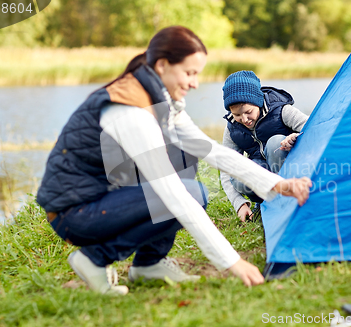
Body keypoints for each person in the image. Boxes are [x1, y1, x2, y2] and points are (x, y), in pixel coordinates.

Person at [37, 26, 312, 295]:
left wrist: (277, 184)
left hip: (105, 195)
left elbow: (211, 150)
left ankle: (148, 265)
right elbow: (172, 195)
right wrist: (232, 262)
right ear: (163, 66)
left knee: (185, 159)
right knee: (190, 193)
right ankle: (95, 258)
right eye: (190, 73)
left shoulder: (160, 99)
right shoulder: (130, 109)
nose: (195, 83)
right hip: (74, 213)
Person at [220, 71, 310, 222]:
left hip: (288, 167)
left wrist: (296, 137)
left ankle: (290, 198)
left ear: (258, 101)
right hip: (262, 176)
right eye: (237, 115)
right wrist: (239, 204)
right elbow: (226, 170)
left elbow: (314, 129)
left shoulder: (282, 110)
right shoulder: (232, 128)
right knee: (237, 174)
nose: (244, 119)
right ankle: (264, 202)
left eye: (248, 112)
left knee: (275, 142)